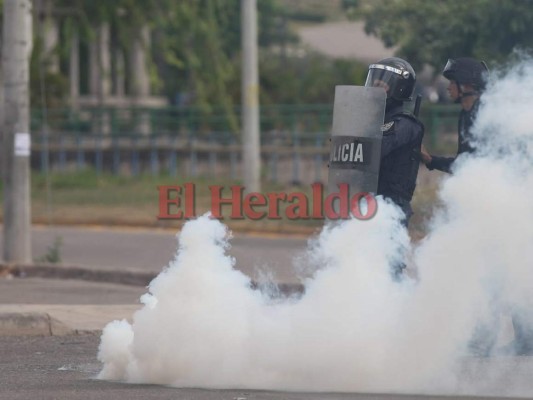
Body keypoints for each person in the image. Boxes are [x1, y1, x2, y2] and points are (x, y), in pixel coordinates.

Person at [365, 57, 424, 281]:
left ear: (399, 88)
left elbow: (377, 150)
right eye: (374, 81)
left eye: (382, 83)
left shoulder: (404, 124)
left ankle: (397, 309)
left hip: (392, 205)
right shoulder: (373, 121)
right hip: (369, 200)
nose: (374, 87)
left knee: (390, 267)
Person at [420, 57, 488, 171]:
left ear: (466, 86)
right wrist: (430, 160)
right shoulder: (465, 114)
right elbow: (463, 165)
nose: (448, 88)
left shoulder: (484, 114)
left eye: (452, 82)